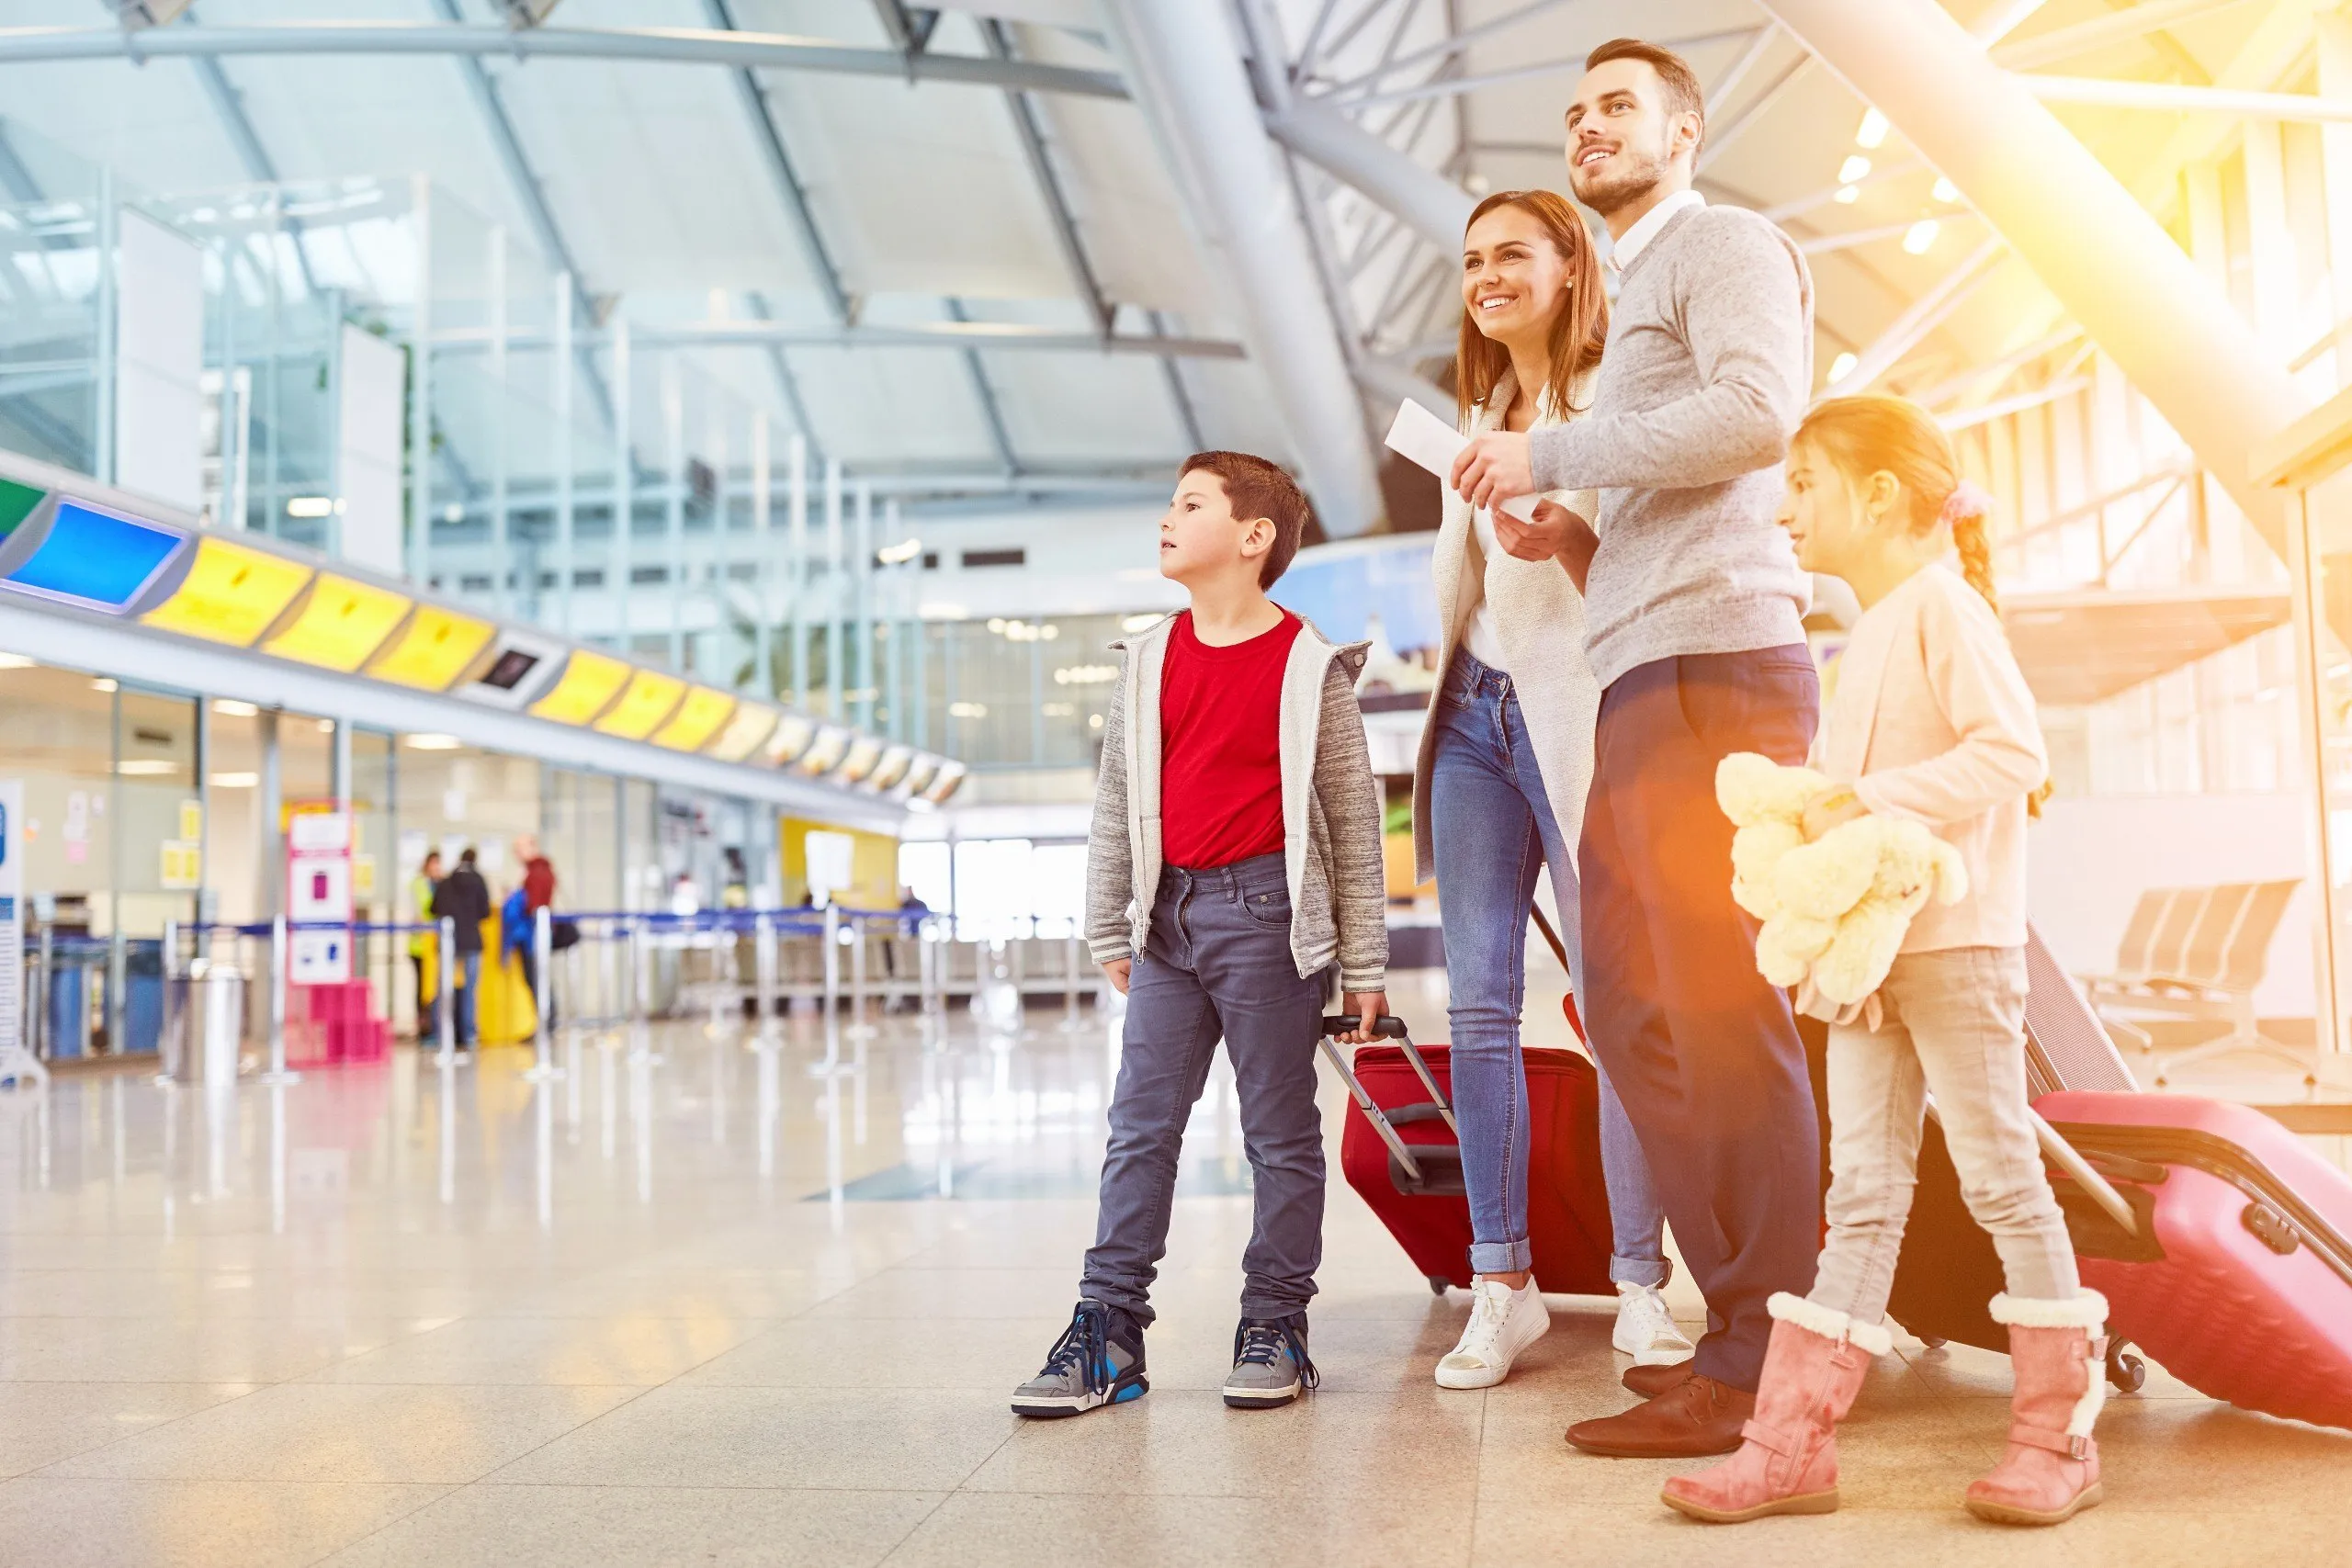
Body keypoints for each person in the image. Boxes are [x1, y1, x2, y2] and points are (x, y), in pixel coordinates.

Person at [1452, 37, 1820, 1457]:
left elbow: (1757, 411)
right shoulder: (1648, 280)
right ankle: (1737, 1323)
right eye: (1575, 110)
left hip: (1722, 667)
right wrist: (1579, 531)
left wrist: (1556, 457)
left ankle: (1768, 1344)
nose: (1587, 125)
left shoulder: (1719, 242)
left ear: (1686, 127)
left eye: (1617, 106)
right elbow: (1670, 486)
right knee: (1639, 1012)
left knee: (1722, 1011)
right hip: (1644, 663)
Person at [1661, 397, 2107, 1529]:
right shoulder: (1871, 628)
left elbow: (2012, 752)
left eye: (1803, 484)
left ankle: (2057, 1440)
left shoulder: (1941, 609)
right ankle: (1789, 1447)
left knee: (2002, 1176)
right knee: (1858, 1197)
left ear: (1876, 494)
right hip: (1867, 961)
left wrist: (1868, 797)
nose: (1783, 508)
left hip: (1955, 948)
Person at [1012, 451, 1388, 1419]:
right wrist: (1110, 923)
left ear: (1253, 537)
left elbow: (1351, 823)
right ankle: (1105, 1330)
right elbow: (1115, 804)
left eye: (1189, 504)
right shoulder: (1147, 658)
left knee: (1278, 1136)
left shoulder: (1308, 665)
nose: (1165, 519)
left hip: (1268, 920)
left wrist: (1364, 968)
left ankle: (1275, 1323)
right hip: (1165, 922)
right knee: (1140, 1128)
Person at [1414, 187, 1689, 1392]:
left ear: (1571, 267)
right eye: (1474, 259)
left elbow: (1640, 570)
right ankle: (1502, 1283)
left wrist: (1561, 539)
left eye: (1513, 252)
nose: (1488, 274)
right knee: (1476, 1005)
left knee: (1619, 996)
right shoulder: (1478, 411)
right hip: (1474, 712)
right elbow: (1459, 581)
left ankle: (1642, 1281)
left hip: (1577, 711)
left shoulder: (1615, 402)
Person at [432, 847, 492, 1048]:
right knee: (470, 989)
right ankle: (469, 1034)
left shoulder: (446, 882)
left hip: (448, 940)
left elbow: (434, 908)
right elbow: (485, 911)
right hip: (472, 940)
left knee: (443, 988)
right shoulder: (479, 881)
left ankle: (441, 1032)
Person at [514, 834, 558, 1032]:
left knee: (537, 977)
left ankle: (548, 1022)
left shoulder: (537, 872)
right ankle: (546, 1021)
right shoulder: (539, 870)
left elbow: (533, 904)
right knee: (538, 977)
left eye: (519, 848)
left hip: (534, 934)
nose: (516, 854)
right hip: (534, 933)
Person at [408, 850, 442, 1043]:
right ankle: (424, 1028)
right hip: (419, 946)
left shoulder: (442, 884)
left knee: (434, 989)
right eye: (433, 863)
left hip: (435, 946)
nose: (436, 868)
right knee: (422, 989)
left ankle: (434, 1027)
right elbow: (419, 912)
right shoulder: (418, 884)